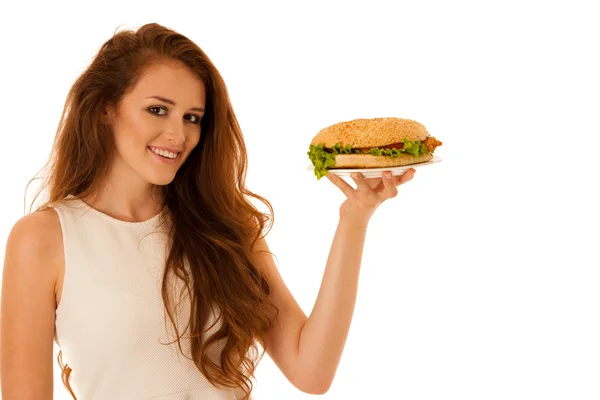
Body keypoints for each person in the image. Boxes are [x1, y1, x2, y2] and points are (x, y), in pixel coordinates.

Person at [0, 23, 416, 400]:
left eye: (193, 117)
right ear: (106, 107)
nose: (178, 134)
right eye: (157, 109)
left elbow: (312, 371)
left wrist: (355, 218)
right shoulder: (43, 239)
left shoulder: (224, 227)